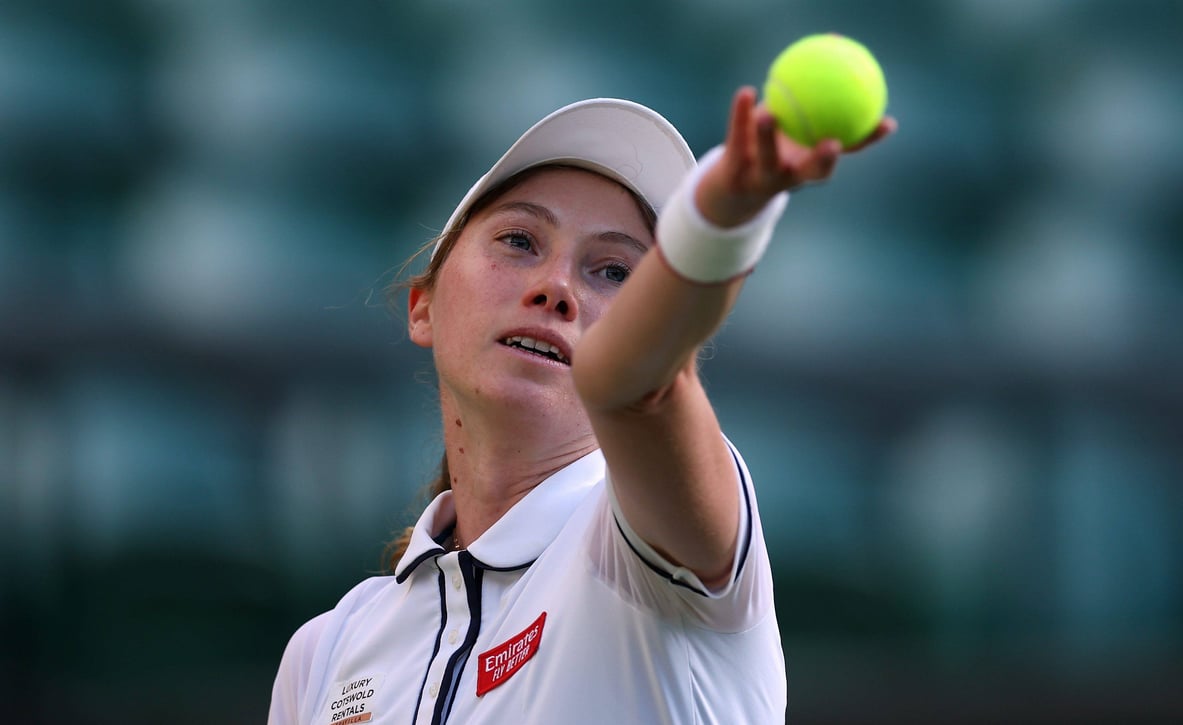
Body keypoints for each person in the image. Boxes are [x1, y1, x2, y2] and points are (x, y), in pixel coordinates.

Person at [268, 87, 894, 725]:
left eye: (617, 272)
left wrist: (715, 227)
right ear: (423, 306)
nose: (557, 288)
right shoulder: (326, 652)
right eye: (519, 241)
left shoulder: (640, 555)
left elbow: (632, 385)